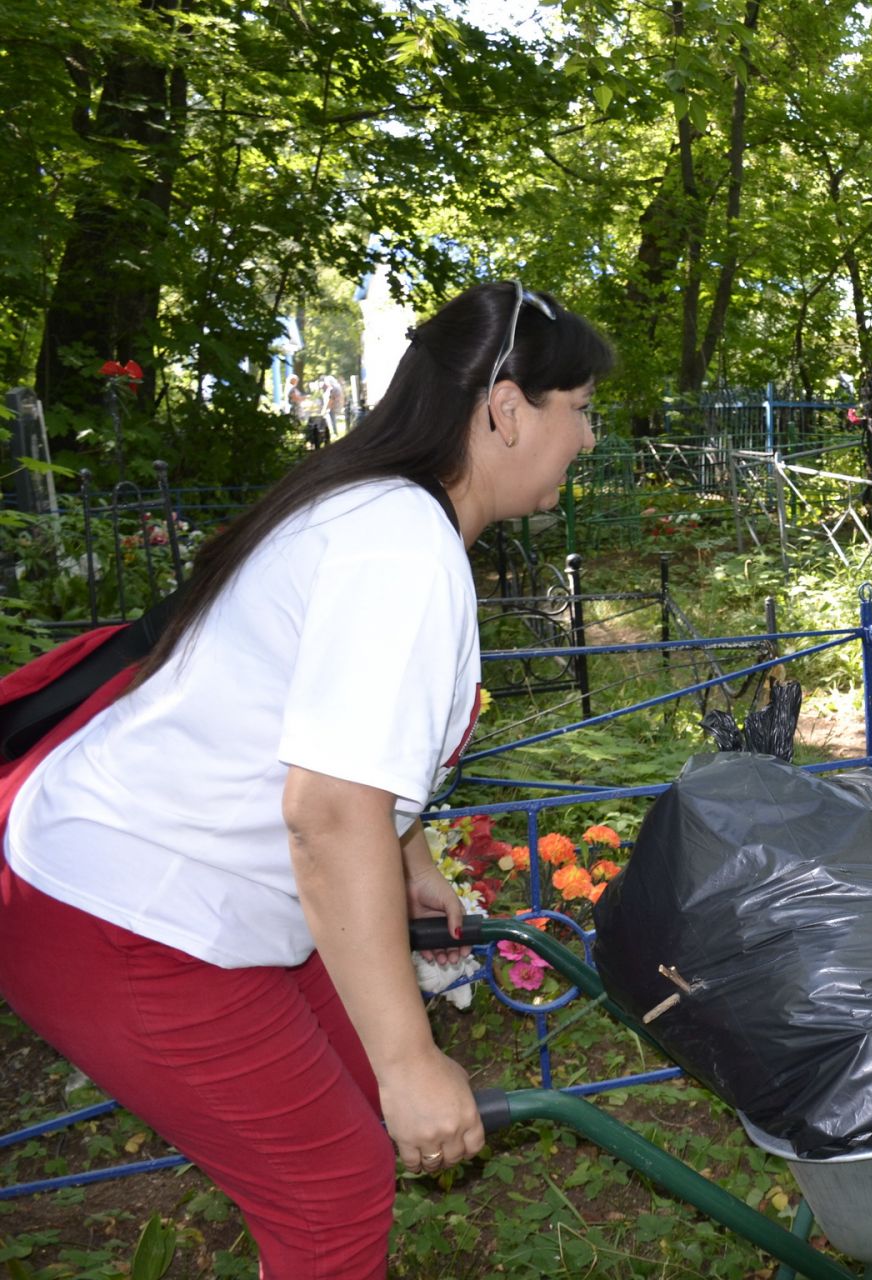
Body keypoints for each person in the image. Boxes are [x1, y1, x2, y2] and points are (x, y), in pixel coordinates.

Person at [0, 281, 613, 1277]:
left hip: (168, 886)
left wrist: (409, 852)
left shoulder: (373, 508)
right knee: (331, 1190)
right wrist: (413, 1061)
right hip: (130, 912)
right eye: (578, 409)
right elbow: (328, 812)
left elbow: (329, 734)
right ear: (506, 408)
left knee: (347, 1134)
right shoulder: (401, 548)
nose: (586, 439)